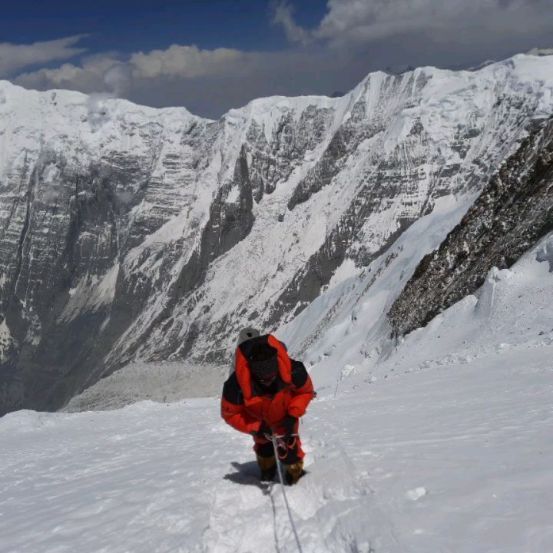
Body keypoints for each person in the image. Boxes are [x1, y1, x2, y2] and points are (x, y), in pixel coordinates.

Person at [221, 328, 315, 484]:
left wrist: (293, 415)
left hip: (285, 420)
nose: (269, 382)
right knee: (264, 450)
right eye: (263, 380)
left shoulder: (294, 371)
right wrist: (257, 427)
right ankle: (267, 471)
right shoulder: (235, 385)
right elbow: (230, 414)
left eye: (272, 377)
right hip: (259, 423)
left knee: (291, 452)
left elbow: (305, 392)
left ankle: (295, 476)